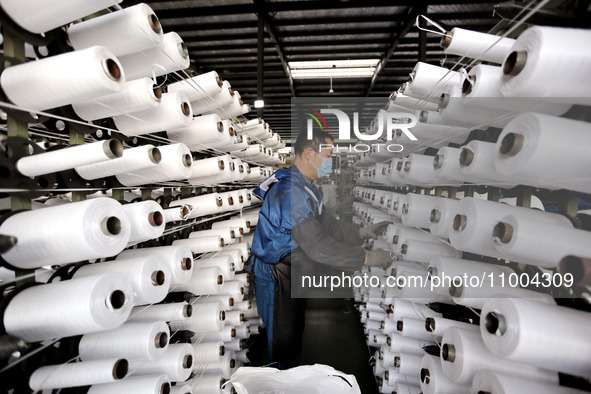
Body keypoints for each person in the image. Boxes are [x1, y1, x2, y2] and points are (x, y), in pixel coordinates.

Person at [248, 128, 392, 369]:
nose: (330, 161)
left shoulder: (307, 188)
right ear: (309, 153)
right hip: (277, 278)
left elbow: (329, 227)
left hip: (292, 273)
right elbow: (319, 248)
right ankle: (281, 380)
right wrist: (367, 258)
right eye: (328, 155)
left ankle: (288, 374)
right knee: (283, 342)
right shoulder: (289, 192)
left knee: (292, 332)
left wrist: (360, 232)